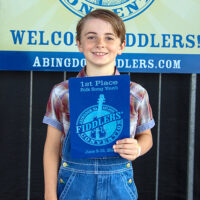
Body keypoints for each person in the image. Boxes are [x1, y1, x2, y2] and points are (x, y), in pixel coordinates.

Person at [43, 9, 155, 200]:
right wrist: (49, 195)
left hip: (119, 186)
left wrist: (137, 148)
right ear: (79, 44)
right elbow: (52, 148)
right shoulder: (62, 92)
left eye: (109, 38)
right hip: (73, 186)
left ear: (121, 46)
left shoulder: (136, 93)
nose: (100, 44)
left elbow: (146, 137)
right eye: (91, 37)